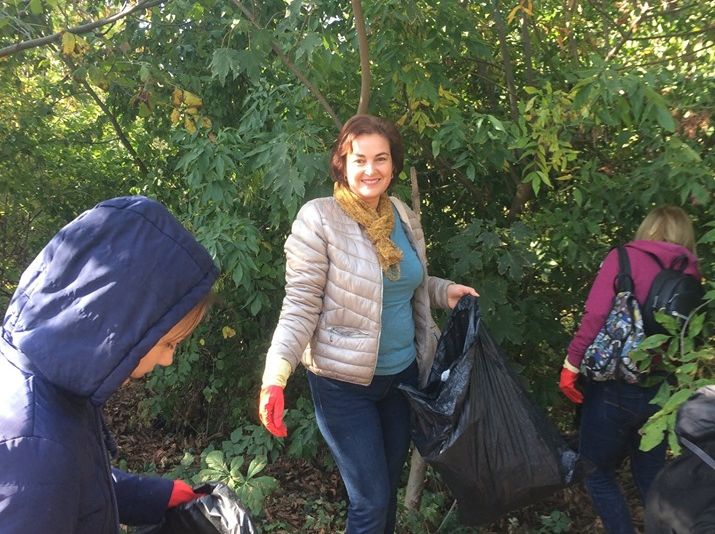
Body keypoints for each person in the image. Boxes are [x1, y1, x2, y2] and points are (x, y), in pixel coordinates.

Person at [258, 114, 478, 534]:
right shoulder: (319, 219)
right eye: (359, 159)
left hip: (402, 378)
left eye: (381, 158)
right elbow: (301, 304)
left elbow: (407, 282)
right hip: (343, 385)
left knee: (385, 498)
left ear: (393, 165)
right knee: (370, 502)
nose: (370, 169)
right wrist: (276, 376)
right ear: (342, 163)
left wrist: (444, 291)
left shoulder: (400, 215)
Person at [0, 196, 219, 533]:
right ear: (118, 327)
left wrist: (152, 496)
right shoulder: (37, 443)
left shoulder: (52, 384)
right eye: (168, 343)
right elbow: (47, 477)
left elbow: (73, 487)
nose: (168, 359)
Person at [558, 206, 702, 534]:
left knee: (596, 472)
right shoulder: (691, 272)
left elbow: (595, 316)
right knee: (651, 475)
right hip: (661, 390)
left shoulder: (624, 258)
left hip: (614, 386)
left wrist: (571, 364)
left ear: (648, 228)